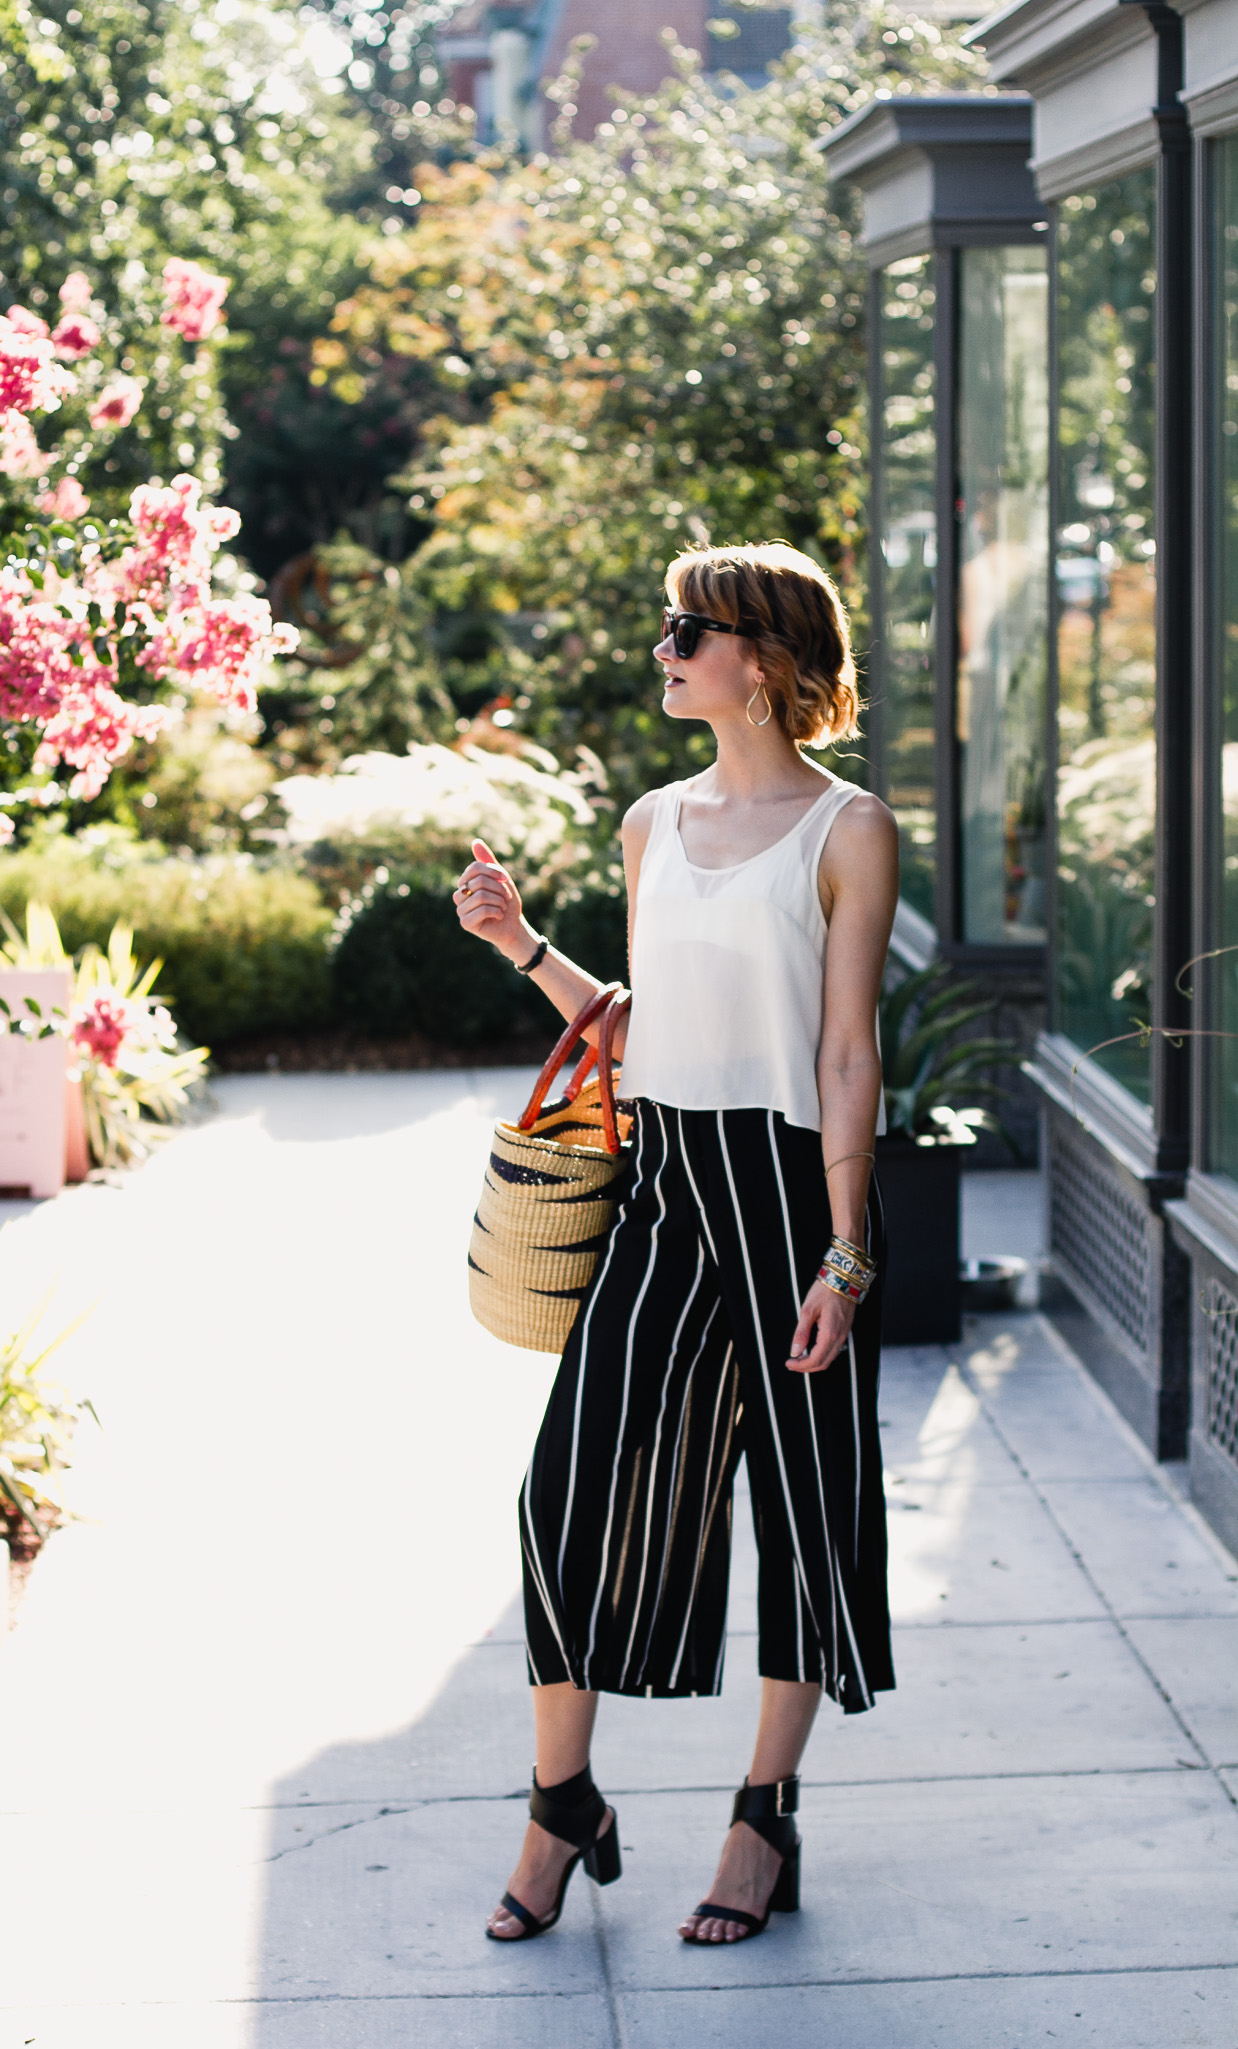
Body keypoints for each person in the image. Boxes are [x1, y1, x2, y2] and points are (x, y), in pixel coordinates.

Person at [453, 540, 898, 1947]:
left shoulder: (848, 829)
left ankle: (761, 1815)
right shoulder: (652, 821)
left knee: (808, 1516)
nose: (662, 648)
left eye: (685, 628)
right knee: (566, 1488)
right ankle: (559, 1799)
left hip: (788, 1193)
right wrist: (524, 945)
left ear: (760, 660)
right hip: (663, 1191)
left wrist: (842, 1254)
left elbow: (841, 1050)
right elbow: (647, 1029)